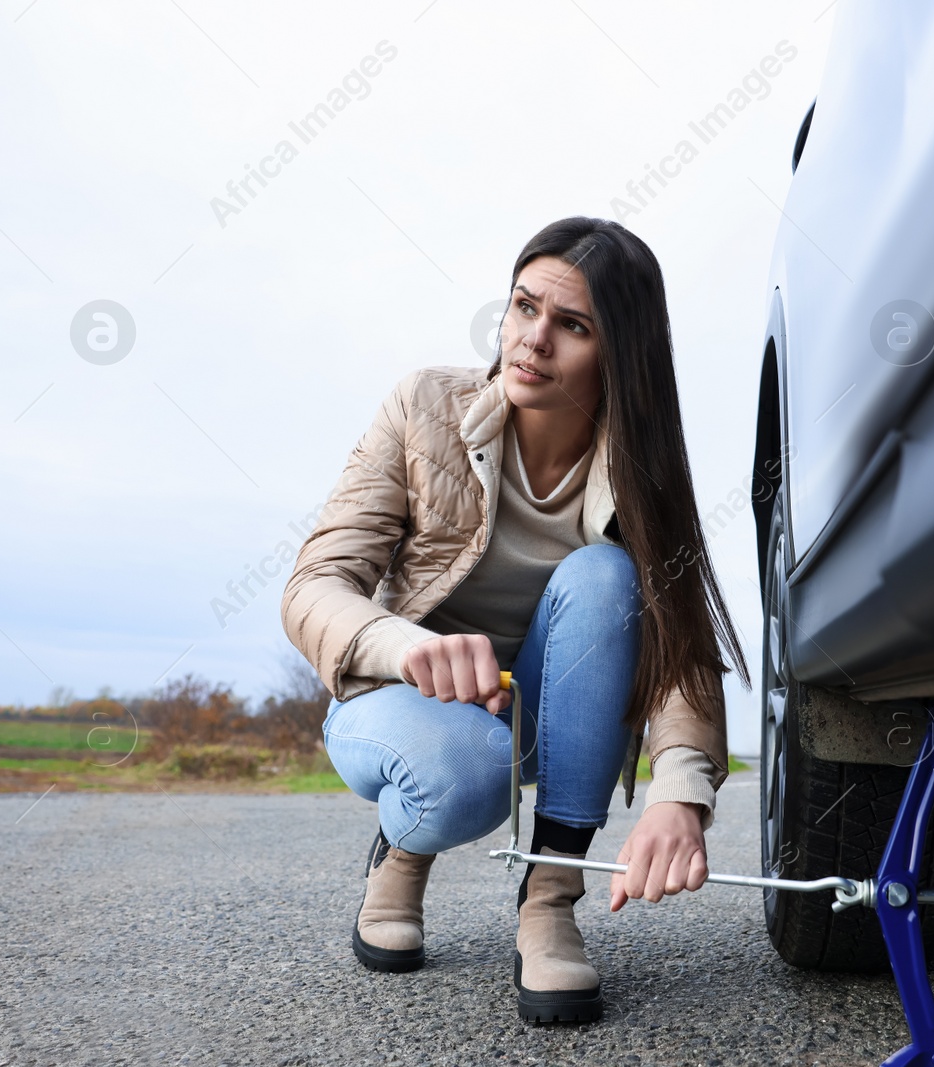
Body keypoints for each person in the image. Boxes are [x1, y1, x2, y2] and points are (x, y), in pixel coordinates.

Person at [281, 216, 748, 1024]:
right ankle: (404, 847)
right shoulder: (424, 406)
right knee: (461, 771)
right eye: (524, 307)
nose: (533, 340)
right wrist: (411, 648)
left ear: (620, 353)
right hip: (401, 703)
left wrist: (681, 795)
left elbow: (680, 651)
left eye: (572, 326)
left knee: (608, 574)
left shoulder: (643, 470)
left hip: (546, 708)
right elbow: (314, 585)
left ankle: (551, 895)